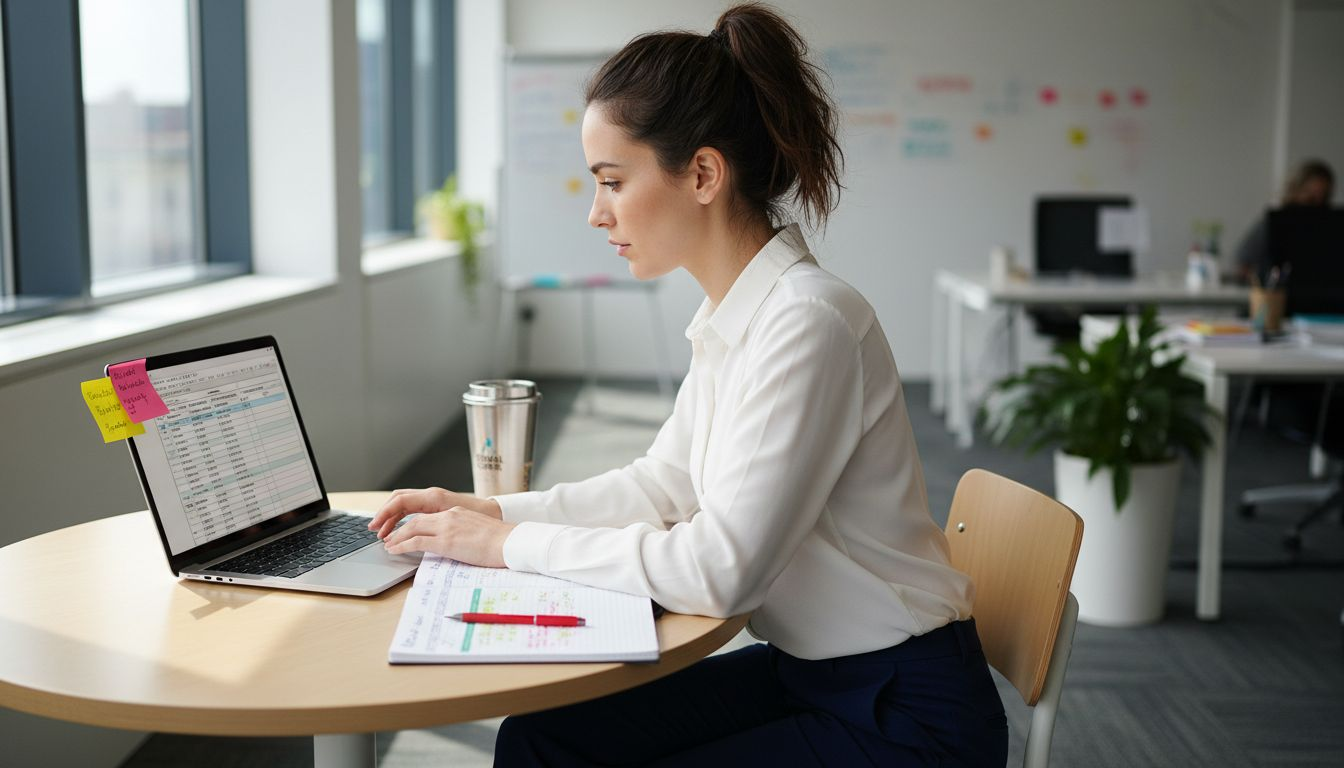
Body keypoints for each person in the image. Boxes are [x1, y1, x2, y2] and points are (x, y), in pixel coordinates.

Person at [368, 3, 1007, 765]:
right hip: (814, 672)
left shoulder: (808, 322)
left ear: (702, 173)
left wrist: (507, 544)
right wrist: (487, 510)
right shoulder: (736, 314)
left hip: (903, 714)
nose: (596, 213)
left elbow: (719, 571)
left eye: (611, 181)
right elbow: (661, 487)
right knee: (540, 738)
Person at [1235, 159, 1336, 283]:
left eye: (1323, 199)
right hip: (1277, 296)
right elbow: (1242, 263)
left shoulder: (1332, 226)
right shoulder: (1275, 222)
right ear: (1295, 190)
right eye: (1310, 199)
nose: (1316, 206)